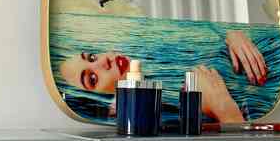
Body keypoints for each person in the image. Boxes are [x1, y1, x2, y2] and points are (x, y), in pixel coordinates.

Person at [58, 31, 267, 123]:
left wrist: (232, 35)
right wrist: (224, 109)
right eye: (92, 79)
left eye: (92, 56)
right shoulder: (142, 118)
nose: (103, 62)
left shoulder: (156, 50)